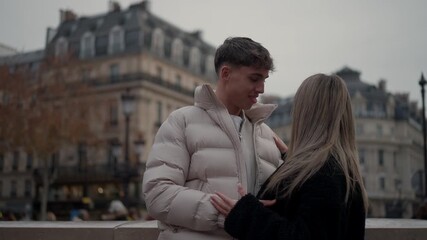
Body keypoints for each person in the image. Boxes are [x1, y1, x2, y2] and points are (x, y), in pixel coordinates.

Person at [142, 37, 287, 239]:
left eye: (264, 80)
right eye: (254, 79)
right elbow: (157, 194)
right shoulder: (181, 121)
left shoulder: (267, 134)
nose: (262, 88)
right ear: (226, 73)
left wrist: (291, 160)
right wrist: (229, 214)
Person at [211, 73, 369, 240]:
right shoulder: (340, 169)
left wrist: (247, 214)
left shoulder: (324, 173)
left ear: (305, 113)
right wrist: (294, 163)